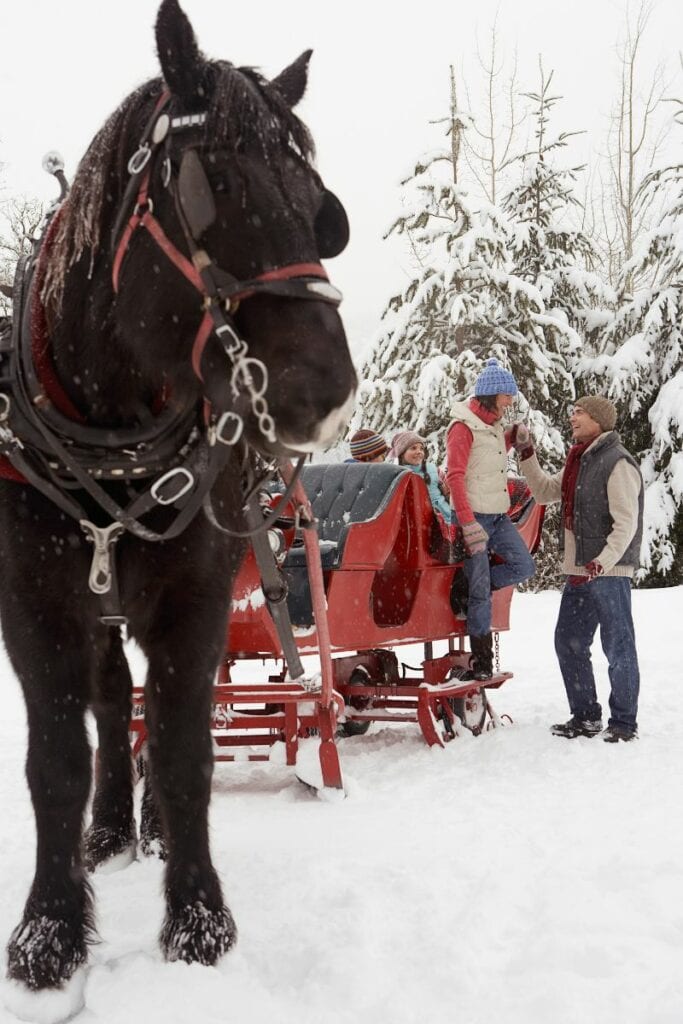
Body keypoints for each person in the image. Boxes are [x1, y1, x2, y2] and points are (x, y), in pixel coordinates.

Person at [511, 396, 643, 742]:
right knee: (568, 642)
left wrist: (605, 560)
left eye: (579, 413)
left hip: (609, 573)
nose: (572, 417)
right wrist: (526, 452)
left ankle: (624, 723)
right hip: (581, 571)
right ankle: (585, 716)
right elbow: (542, 492)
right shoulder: (578, 461)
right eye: (572, 412)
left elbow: (625, 521)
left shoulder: (618, 462)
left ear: (599, 419)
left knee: (618, 646)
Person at [445, 358, 536, 680]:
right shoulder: (462, 427)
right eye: (507, 395)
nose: (511, 401)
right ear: (492, 394)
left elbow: (490, 454)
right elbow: (454, 476)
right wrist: (468, 524)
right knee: (481, 592)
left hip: (497, 516)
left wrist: (513, 436)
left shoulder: (493, 424)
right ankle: (482, 663)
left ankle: (465, 586)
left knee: (524, 566)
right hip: (474, 518)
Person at [390, 430, 455, 526]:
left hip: (446, 519)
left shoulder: (433, 469)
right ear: (402, 454)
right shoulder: (398, 475)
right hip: (420, 525)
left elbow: (448, 491)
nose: (419, 452)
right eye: (413, 448)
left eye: (421, 448)